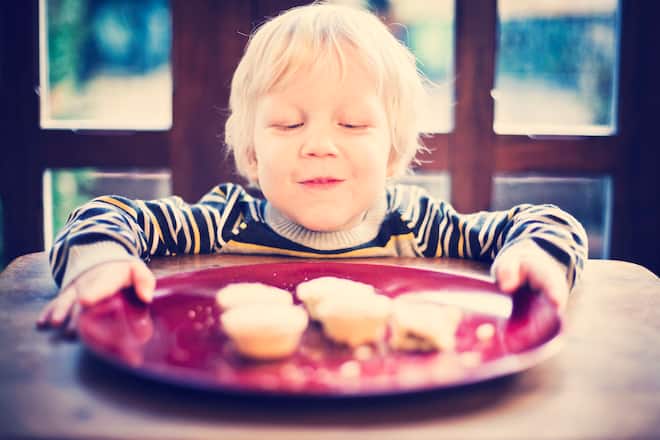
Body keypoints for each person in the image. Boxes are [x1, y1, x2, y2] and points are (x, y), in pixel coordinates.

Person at [38, 3, 588, 333]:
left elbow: (546, 223)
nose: (320, 146)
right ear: (250, 150)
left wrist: (535, 255)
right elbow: (98, 219)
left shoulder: (419, 223)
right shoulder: (223, 221)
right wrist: (96, 266)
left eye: (351, 125)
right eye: (287, 124)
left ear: (395, 149)